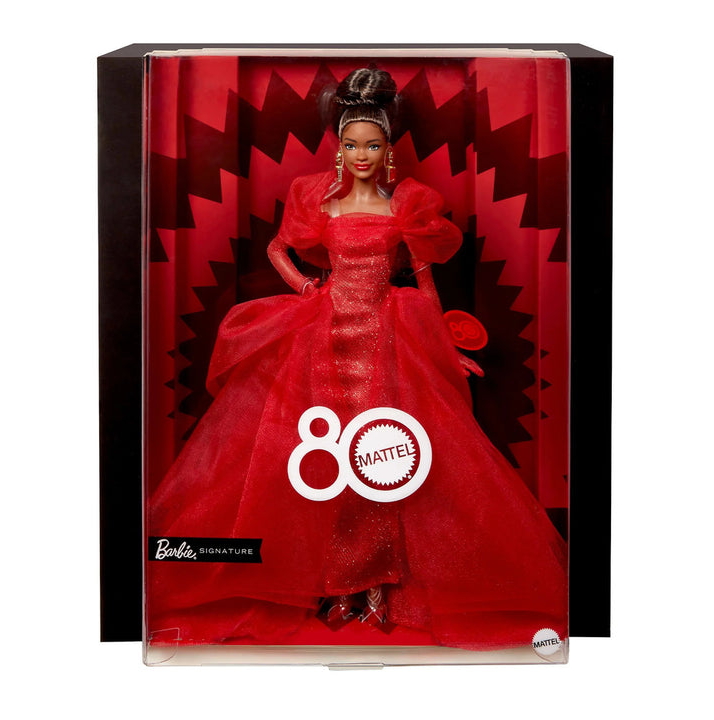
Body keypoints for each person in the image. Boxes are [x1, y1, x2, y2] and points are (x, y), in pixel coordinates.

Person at [147, 68, 567, 651]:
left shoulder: (408, 206)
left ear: (388, 149)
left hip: (388, 340)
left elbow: (425, 282)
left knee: (385, 455)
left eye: (371, 145)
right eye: (351, 145)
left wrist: (443, 347)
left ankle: (376, 583)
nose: (361, 156)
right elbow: (278, 247)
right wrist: (305, 287)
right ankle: (324, 581)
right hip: (322, 338)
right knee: (314, 457)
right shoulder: (319, 201)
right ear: (338, 148)